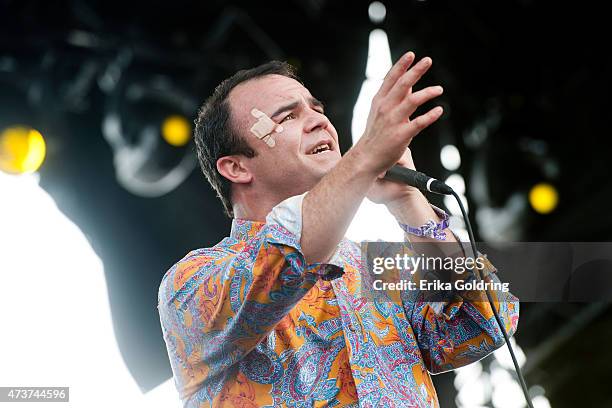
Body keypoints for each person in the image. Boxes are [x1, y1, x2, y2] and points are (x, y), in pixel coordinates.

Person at [158, 52, 519, 407]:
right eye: (287, 117)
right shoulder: (189, 283)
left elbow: (488, 321)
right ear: (236, 168)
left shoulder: (377, 269)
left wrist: (408, 202)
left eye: (317, 109)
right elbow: (287, 257)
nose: (319, 121)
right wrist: (364, 158)